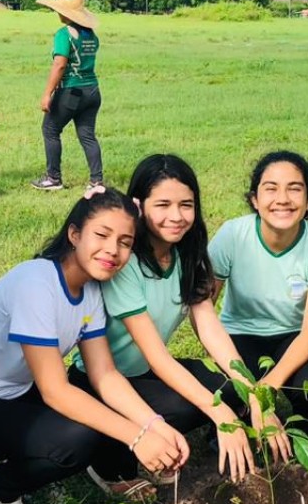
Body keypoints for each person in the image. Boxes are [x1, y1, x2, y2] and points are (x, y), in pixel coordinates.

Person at [0, 189, 190, 504]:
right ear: (74, 234)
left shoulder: (90, 292)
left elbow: (105, 374)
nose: (112, 250)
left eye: (125, 242)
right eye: (101, 235)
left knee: (95, 414)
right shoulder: (36, 281)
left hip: (18, 392)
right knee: (76, 439)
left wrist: (153, 426)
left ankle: (40, 466)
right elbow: (55, 391)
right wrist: (136, 437)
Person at [80, 154, 292, 483]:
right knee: (185, 407)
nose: (176, 217)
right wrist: (219, 414)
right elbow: (158, 356)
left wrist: (254, 393)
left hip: (145, 371)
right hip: (105, 382)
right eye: (162, 205)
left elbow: (210, 328)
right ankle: (108, 459)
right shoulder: (126, 262)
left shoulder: (186, 254)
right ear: (139, 206)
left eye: (186, 205)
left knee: (230, 386)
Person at [209, 151, 308, 426]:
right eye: (271, 189)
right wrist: (245, 384)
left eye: (294, 189)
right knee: (227, 398)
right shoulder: (232, 235)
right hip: (239, 335)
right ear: (255, 199)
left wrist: (269, 386)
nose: (282, 199)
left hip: (293, 336)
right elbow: (203, 312)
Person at [32, 0, 105, 199]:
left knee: (50, 129)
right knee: (87, 136)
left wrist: (47, 93)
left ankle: (53, 178)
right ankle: (96, 181)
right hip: (92, 90)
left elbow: (60, 65)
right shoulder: (91, 35)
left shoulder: (64, 35)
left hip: (71, 91)